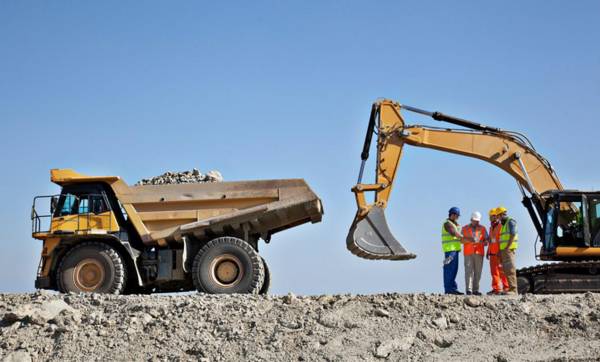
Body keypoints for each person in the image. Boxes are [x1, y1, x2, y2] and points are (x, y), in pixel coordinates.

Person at [461, 212, 487, 295]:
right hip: (468, 253)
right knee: (468, 271)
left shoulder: (482, 228)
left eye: (478, 221)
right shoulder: (464, 228)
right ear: (471, 219)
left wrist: (485, 242)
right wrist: (469, 240)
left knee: (478, 272)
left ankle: (476, 290)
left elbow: (486, 239)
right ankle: (469, 290)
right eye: (475, 221)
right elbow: (461, 240)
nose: (476, 222)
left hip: (479, 253)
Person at [441, 207, 464, 295]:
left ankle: (452, 288)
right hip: (449, 251)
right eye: (457, 215)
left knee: (454, 270)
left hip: (455, 250)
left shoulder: (455, 224)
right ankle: (448, 289)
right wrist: (465, 238)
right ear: (452, 214)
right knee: (449, 269)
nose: (457, 217)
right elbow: (453, 233)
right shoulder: (447, 224)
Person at [486, 208, 509, 295]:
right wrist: (488, 251)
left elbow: (501, 240)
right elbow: (491, 241)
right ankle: (496, 289)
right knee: (494, 272)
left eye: (495, 216)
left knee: (502, 271)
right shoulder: (491, 228)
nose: (493, 218)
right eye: (492, 216)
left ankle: (506, 287)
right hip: (492, 253)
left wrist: (500, 251)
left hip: (499, 252)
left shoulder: (500, 226)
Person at [497, 206, 519, 295]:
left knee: (510, 269)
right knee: (506, 270)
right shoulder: (503, 224)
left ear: (502, 214)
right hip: (504, 250)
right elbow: (502, 239)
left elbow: (513, 234)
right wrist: (500, 250)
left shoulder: (510, 221)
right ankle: (510, 288)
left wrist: (507, 247)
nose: (498, 218)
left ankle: (513, 290)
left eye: (498, 216)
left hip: (508, 249)